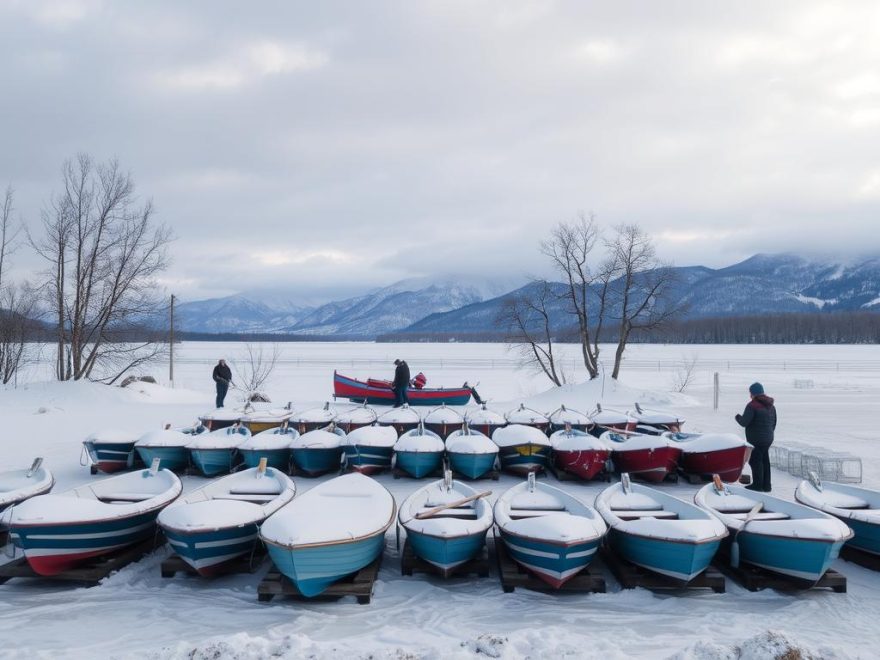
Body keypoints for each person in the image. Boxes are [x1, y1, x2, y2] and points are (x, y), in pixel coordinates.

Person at [735, 382, 777, 492]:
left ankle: (757, 485)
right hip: (768, 438)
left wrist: (738, 417)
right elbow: (774, 422)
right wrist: (768, 433)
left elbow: (744, 422)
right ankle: (766, 486)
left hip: (756, 439)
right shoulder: (771, 405)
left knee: (755, 460)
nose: (750, 395)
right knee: (764, 460)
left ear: (753, 393)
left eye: (750, 393)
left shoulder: (752, 405)